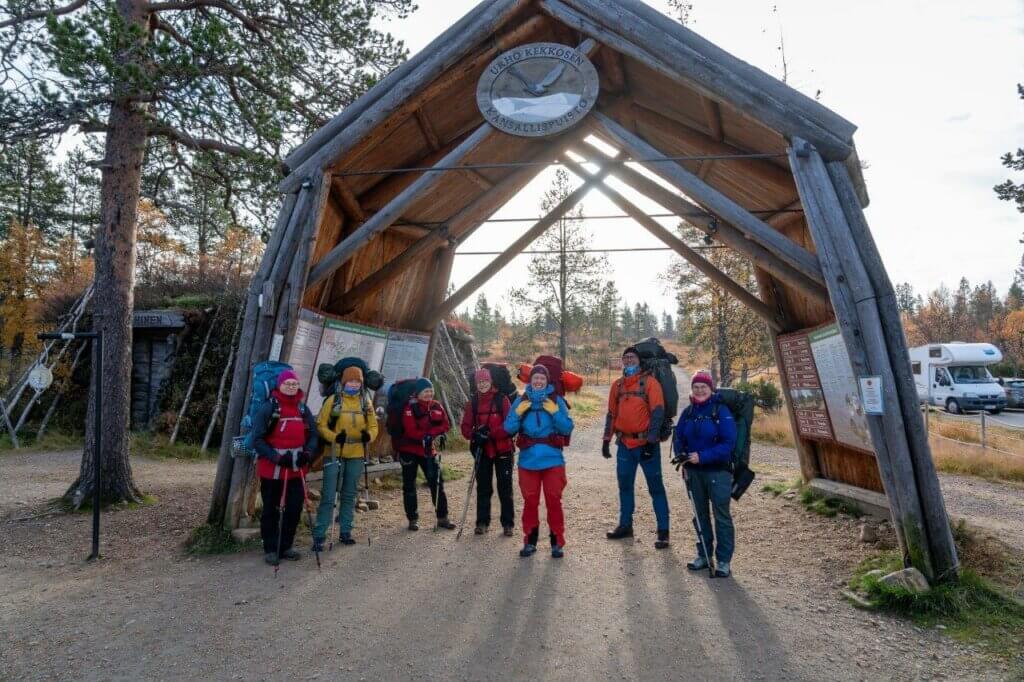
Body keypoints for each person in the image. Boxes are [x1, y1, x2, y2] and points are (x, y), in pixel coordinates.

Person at [602, 346, 670, 549]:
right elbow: (611, 414)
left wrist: (651, 441)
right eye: (626, 357)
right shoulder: (617, 386)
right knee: (624, 486)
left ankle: (663, 532)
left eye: (632, 357)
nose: (629, 360)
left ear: (639, 361)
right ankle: (625, 526)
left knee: (655, 488)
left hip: (647, 445)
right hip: (624, 444)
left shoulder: (650, 383)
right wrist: (606, 439)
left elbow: (658, 412)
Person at [504, 364, 574, 559]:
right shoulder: (520, 401)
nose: (538, 381)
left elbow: (567, 427)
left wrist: (555, 412)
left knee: (554, 501)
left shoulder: (556, 401)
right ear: (530, 380)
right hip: (528, 462)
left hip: (553, 460)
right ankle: (530, 542)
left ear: (547, 381)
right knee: (530, 502)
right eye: (535, 377)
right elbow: (508, 428)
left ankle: (557, 543)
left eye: (542, 378)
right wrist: (517, 414)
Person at [672, 371, 737, 578]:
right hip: (693, 472)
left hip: (718, 472)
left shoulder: (721, 411)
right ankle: (704, 555)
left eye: (703, 387)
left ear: (711, 389)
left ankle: (723, 560)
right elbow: (678, 437)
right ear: (692, 389)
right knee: (699, 515)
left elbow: (729, 443)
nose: (699, 390)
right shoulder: (688, 412)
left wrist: (702, 456)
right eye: (696, 387)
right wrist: (682, 456)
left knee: (721, 516)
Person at [252, 369, 319, 566]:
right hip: (273, 468)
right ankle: (271, 548)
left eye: (294, 383)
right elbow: (257, 439)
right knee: (271, 509)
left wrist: (308, 453)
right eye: (287, 383)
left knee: (294, 508)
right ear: (279, 385)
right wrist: (276, 457)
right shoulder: (269, 408)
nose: (291, 386)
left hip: (296, 467)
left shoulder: (303, 409)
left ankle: (286, 546)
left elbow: (313, 435)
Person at [313, 364, 378, 550]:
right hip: (334, 453)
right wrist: (334, 437)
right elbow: (321, 425)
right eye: (351, 380)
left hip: (356, 454)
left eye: (358, 381)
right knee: (329, 495)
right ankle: (319, 535)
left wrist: (369, 436)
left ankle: (346, 531)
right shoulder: (333, 401)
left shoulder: (365, 402)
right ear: (343, 382)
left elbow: (373, 426)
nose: (354, 384)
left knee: (349, 494)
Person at [460, 368, 515, 536]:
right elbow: (465, 427)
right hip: (483, 450)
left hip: (503, 449)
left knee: (505, 488)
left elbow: (510, 425)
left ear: (491, 381)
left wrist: (490, 434)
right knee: (483, 487)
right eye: (479, 382)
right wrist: (475, 435)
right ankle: (482, 523)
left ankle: (508, 524)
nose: (482, 384)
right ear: (476, 384)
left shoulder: (502, 400)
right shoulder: (473, 403)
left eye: (485, 381)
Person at [397, 378, 456, 531]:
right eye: (425, 391)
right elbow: (411, 430)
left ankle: (442, 518)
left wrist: (432, 434)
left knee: (436, 483)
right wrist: (426, 436)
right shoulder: (409, 408)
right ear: (418, 393)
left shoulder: (436, 405)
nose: (429, 394)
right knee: (409, 485)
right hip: (409, 450)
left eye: (430, 391)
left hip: (429, 450)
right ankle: (413, 519)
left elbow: (445, 425)